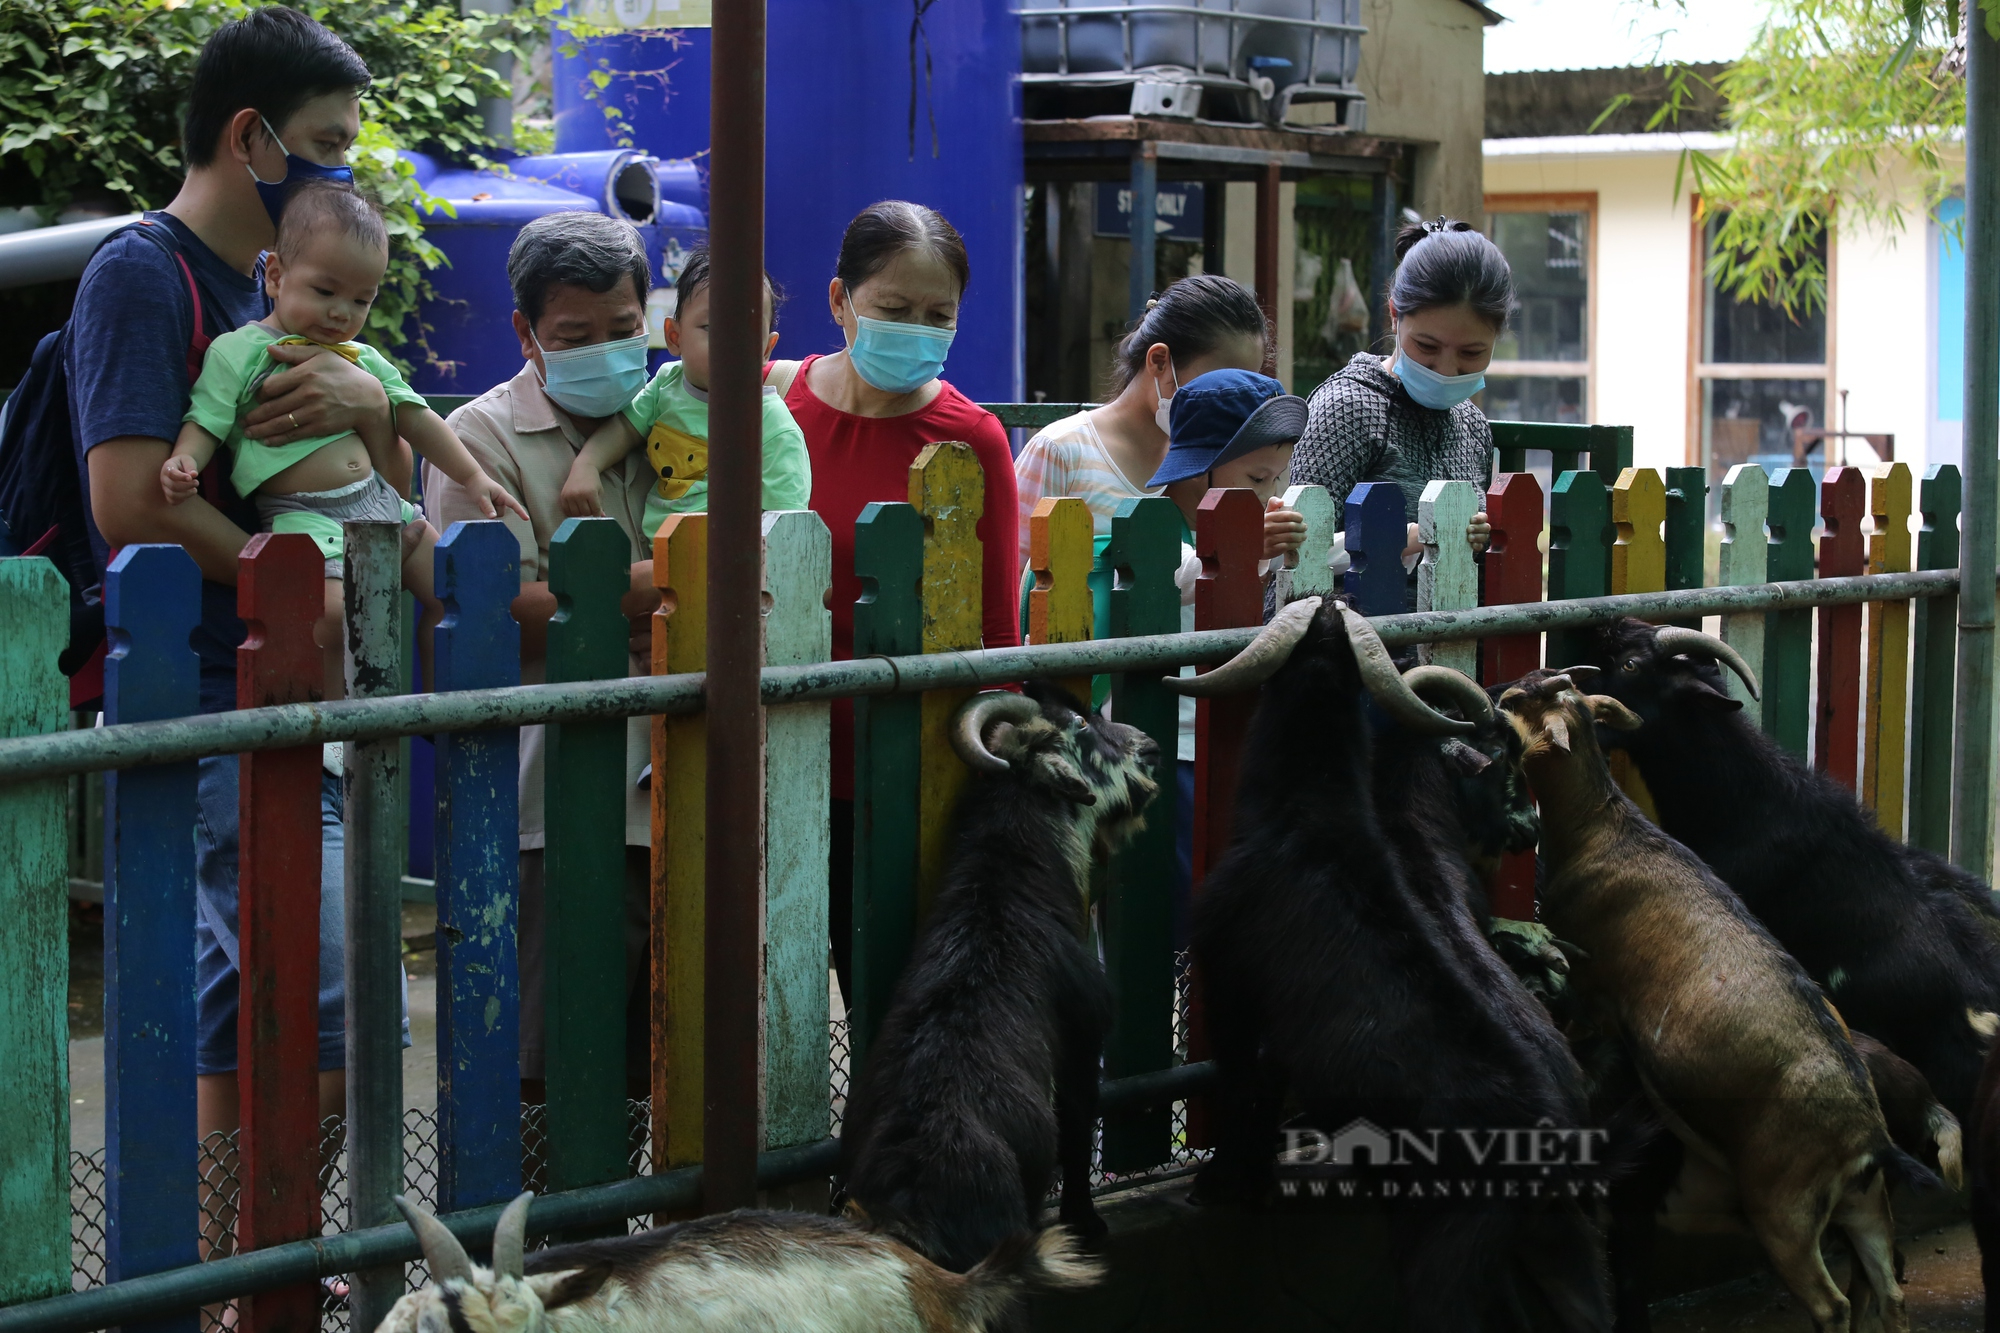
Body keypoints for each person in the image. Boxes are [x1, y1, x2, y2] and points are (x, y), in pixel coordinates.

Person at [63, 6, 399, 1167]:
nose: (342, 166)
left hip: (292, 679)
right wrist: (287, 579)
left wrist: (371, 408)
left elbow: (377, 481)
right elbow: (131, 502)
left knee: (240, 985)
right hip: (206, 686)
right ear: (253, 138)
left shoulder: (299, 284)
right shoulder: (141, 277)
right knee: (318, 982)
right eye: (328, 138)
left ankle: (229, 1273)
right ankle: (282, 1254)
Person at [422, 210, 663, 1100]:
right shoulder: (476, 440)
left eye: (623, 330)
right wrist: (661, 588)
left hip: (681, 789)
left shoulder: (674, 415)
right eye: (575, 336)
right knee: (550, 1072)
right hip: (549, 803)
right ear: (526, 333)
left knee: (654, 1071)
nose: (605, 349)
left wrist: (596, 603)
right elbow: (502, 611)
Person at [777, 200, 1020, 1004]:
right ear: (840, 301)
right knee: (775, 1019)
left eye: (936, 315)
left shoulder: (974, 437)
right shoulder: (774, 413)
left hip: (911, 780)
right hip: (775, 765)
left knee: (895, 1009)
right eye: (893, 309)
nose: (916, 329)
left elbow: (995, 632)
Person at [164, 182, 526, 692]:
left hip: (383, 506)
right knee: (328, 620)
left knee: (460, 593)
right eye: (325, 291)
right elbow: (208, 418)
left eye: (361, 300)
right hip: (307, 517)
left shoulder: (361, 358)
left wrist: (473, 476)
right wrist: (185, 460)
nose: (342, 313)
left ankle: (442, 702)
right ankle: (335, 724)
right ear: (277, 276)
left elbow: (417, 418)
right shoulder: (239, 352)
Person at [1011, 274, 1299, 703]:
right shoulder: (1062, 451)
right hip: (1079, 706)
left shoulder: (1226, 463)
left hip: (1193, 711)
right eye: (1221, 380)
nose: (1238, 398)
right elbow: (1010, 587)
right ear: (1160, 362)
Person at [1149, 369, 1307, 942]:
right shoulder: (1155, 531)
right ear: (1203, 464)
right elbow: (1179, 578)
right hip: (1173, 747)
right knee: (1170, 916)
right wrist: (1243, 548)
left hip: (1227, 737)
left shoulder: (1237, 524)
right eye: (1258, 478)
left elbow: (1327, 550)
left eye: (1276, 480)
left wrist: (1414, 538)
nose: (1269, 496)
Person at [1289, 216, 1514, 604]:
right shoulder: (1346, 410)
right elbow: (1297, 556)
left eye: (1471, 353)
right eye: (1427, 347)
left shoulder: (1473, 425)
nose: (1445, 370)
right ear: (1395, 315)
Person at [558, 245, 811, 531]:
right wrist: (587, 466)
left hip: (726, 565)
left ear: (766, 348)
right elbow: (625, 429)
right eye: (711, 328)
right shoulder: (667, 382)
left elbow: (786, 523)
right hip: (654, 553)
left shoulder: (772, 425)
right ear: (674, 336)